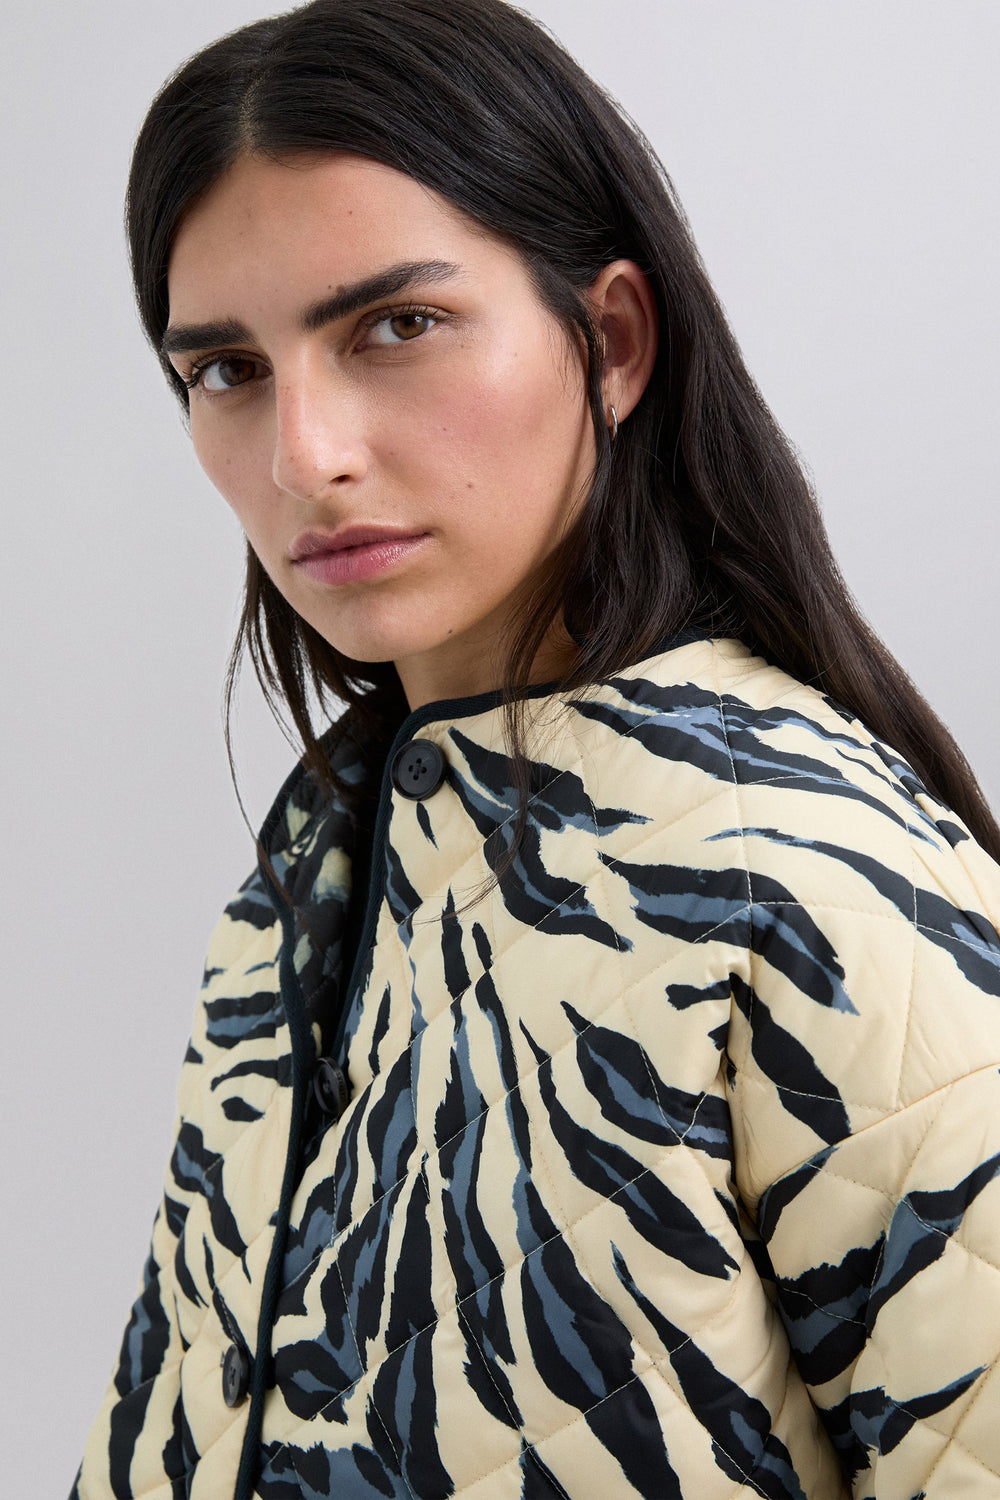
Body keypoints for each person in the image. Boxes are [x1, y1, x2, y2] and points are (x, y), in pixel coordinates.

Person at [72, 1, 1000, 1496]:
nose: (304, 456)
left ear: (611, 341)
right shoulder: (311, 876)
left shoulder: (809, 870)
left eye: (397, 326)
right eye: (228, 370)